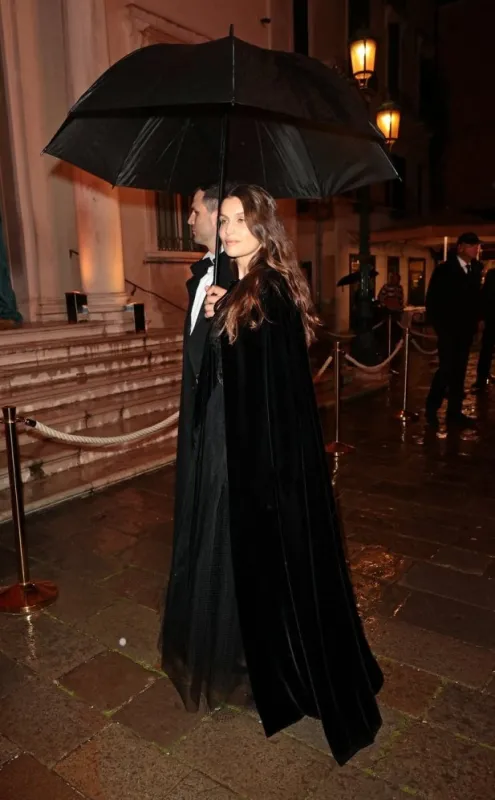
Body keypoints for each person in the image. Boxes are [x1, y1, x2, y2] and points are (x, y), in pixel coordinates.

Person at [160, 184, 383, 767]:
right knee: (239, 561)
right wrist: (219, 311)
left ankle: (274, 670)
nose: (230, 229)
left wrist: (226, 315)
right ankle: (248, 655)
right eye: (225, 219)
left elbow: (264, 389)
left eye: (241, 220)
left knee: (264, 565)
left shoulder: (270, 290)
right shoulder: (245, 287)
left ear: (264, 229)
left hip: (257, 462)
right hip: (236, 450)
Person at [174, 184, 234, 524]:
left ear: (216, 216)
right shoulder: (201, 275)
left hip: (222, 414)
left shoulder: (242, 277)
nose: (188, 219)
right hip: (197, 410)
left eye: (195, 211)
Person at [425, 232, 483, 429]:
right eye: (471, 245)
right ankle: (431, 408)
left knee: (460, 372)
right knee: (446, 370)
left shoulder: (476, 269)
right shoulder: (444, 270)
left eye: (477, 245)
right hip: (448, 330)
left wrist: (477, 321)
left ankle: (454, 413)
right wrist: (439, 327)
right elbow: (432, 300)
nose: (476, 249)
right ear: (460, 247)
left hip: (465, 330)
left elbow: (475, 299)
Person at [472, 265, 495, 391]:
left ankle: (482, 379)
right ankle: (481, 379)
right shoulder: (491, 275)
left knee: (486, 350)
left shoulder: (491, 275)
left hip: (490, 317)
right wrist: (481, 317)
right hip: (491, 318)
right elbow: (485, 296)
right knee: (486, 350)